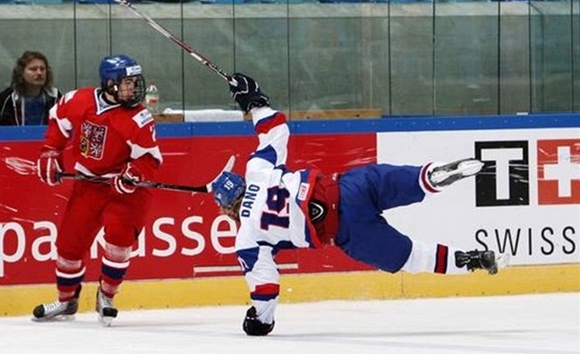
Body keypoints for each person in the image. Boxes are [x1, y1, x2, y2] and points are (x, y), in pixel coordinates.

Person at [211, 73, 501, 336]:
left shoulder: (247, 238)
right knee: (405, 181)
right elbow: (276, 132)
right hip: (350, 188)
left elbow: (265, 286)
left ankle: (470, 260)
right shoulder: (257, 171)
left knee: (411, 257)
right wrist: (255, 101)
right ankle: (433, 176)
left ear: (226, 210)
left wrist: (259, 320)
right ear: (240, 182)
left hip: (348, 231)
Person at [32, 54, 162, 326]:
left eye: (135, 82)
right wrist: (50, 151)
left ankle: (107, 296)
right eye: (126, 83)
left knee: (118, 242)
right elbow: (58, 120)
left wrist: (133, 174)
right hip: (88, 184)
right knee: (69, 245)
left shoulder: (139, 119)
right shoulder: (78, 100)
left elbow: (150, 159)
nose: (133, 88)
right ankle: (66, 301)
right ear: (109, 83)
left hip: (125, 192)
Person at [0, 51, 61, 126]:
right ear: (21, 73)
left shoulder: (55, 97)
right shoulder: (6, 98)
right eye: (33, 69)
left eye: (42, 69)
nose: (39, 73)